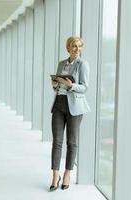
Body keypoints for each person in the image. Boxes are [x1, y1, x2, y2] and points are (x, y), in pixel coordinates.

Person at [49, 36, 91, 191]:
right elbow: (58, 86)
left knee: (71, 142)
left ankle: (67, 174)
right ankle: (55, 175)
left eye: (80, 46)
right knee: (57, 141)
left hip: (75, 106)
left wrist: (71, 85)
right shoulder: (61, 63)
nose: (77, 49)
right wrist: (55, 84)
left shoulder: (83, 64)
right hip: (59, 103)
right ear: (68, 48)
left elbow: (85, 87)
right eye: (74, 46)